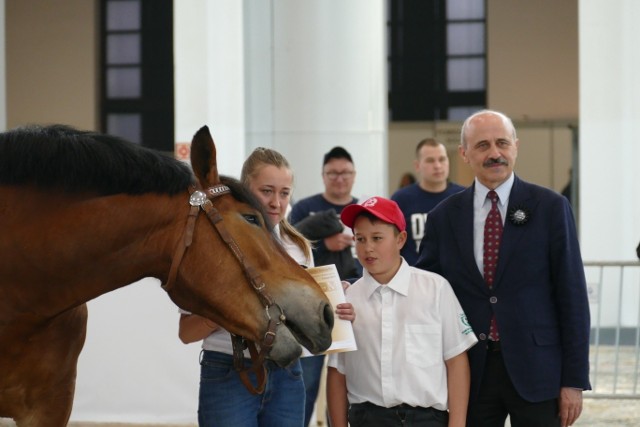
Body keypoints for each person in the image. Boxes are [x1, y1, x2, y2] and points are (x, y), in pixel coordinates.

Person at [416, 109, 591, 427]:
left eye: (501, 143)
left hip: (539, 371)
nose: (494, 153)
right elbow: (424, 289)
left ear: (516, 146)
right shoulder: (444, 217)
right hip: (470, 371)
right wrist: (360, 286)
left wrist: (574, 380)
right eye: (482, 145)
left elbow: (573, 297)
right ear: (464, 154)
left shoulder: (551, 208)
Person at [178, 147, 355, 427]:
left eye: (284, 193)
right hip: (228, 370)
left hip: (289, 374)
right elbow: (186, 333)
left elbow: (311, 330)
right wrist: (224, 308)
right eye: (266, 190)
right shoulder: (214, 244)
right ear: (245, 188)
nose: (276, 202)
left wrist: (334, 304)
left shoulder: (298, 247)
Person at [326, 196, 478, 427]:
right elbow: (337, 372)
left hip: (427, 419)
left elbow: (456, 361)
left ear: (400, 239)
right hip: (367, 418)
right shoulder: (346, 300)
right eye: (360, 239)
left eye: (377, 238)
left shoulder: (435, 289)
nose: (368, 248)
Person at [289, 146, 360, 426]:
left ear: (354, 175)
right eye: (333, 173)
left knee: (351, 385)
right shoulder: (305, 208)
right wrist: (324, 246)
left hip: (352, 304)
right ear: (323, 175)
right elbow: (289, 252)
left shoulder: (363, 209)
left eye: (345, 173)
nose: (339, 178)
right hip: (310, 308)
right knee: (305, 382)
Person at [391, 138, 465, 265]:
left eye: (442, 159)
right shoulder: (401, 199)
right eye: (430, 161)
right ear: (417, 166)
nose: (437, 166)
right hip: (414, 276)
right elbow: (392, 245)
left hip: (455, 277)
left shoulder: (464, 196)